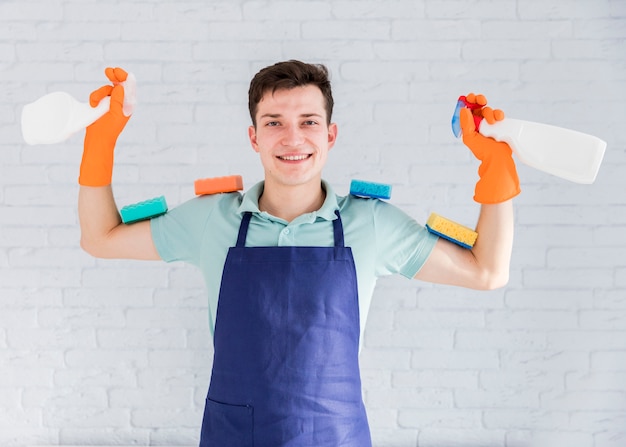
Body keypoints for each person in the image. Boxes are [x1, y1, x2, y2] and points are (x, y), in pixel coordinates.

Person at [77, 61, 519, 446]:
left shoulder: (372, 225)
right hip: (233, 436)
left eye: (308, 121)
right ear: (253, 137)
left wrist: (495, 169)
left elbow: (486, 272)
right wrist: (100, 140)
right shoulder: (212, 217)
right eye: (274, 122)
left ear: (330, 134)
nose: (293, 138)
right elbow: (101, 237)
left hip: (336, 437)